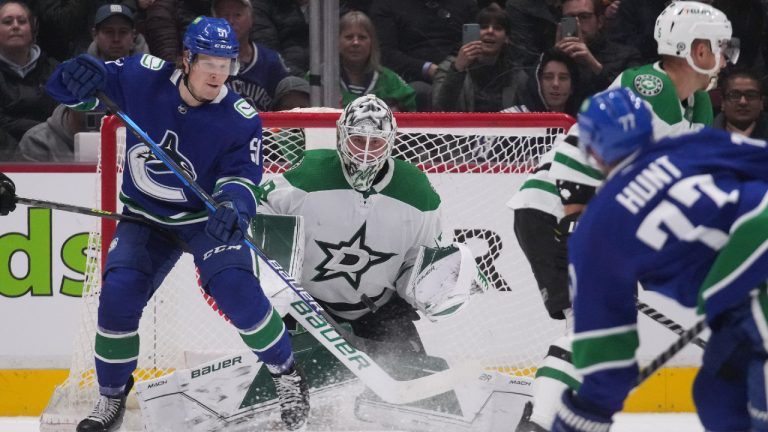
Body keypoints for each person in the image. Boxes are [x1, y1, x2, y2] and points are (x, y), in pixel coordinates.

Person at [45, 16, 309, 432]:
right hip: (145, 218)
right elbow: (77, 94)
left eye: (226, 65)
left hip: (206, 222)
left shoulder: (240, 117)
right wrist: (68, 78)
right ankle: (111, 398)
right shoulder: (140, 75)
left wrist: (234, 208)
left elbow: (241, 177)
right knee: (117, 296)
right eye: (210, 63)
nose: (219, 74)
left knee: (237, 290)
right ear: (187, 58)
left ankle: (287, 372)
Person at [512, 2, 738, 430]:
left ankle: (546, 415)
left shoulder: (698, 109)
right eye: (719, 46)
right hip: (556, 210)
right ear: (692, 48)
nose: (726, 57)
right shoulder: (648, 85)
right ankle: (539, 423)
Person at [553, 86, 768, 432]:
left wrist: (579, 419)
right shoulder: (689, 145)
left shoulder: (597, 227)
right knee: (718, 394)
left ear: (592, 150)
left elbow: (605, 351)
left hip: (756, 293)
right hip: (744, 296)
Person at [256, 94, 483, 360]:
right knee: (292, 379)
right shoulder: (308, 175)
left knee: (410, 380)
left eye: (375, 142)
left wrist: (437, 283)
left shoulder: (418, 193)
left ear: (389, 142)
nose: (365, 152)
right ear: (341, 136)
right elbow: (259, 208)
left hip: (378, 311)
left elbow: (417, 260)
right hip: (307, 310)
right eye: (357, 140)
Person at [18, 4, 150, 163]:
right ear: (95, 34)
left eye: (123, 32)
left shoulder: (155, 78)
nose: (116, 39)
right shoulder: (77, 72)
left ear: (133, 36)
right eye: (109, 32)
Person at [369, 0, 478, 111]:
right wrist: (428, 68)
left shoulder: (464, 3)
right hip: (411, 77)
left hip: (459, 68)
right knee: (419, 92)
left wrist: (451, 69)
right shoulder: (388, 4)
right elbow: (386, 54)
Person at [432, 4, 527, 112]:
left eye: (498, 28)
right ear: (474, 32)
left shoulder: (516, 75)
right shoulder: (448, 67)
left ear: (506, 38)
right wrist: (457, 70)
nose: (490, 31)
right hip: (463, 128)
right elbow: (439, 109)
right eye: (484, 27)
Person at [212, 0, 299, 112]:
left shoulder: (271, 61)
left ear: (251, 19)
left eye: (237, 15)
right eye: (224, 16)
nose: (231, 21)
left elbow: (290, 102)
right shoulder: (204, 61)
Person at [0, 0, 58, 157]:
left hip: (52, 154)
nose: (15, 26)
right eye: (7, 22)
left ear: (33, 28)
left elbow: (63, 119)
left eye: (22, 21)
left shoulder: (54, 70)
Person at [555, 0, 642, 100]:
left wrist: (595, 67)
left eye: (584, 17)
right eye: (569, 19)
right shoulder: (555, 54)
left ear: (600, 21)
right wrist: (554, 59)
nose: (577, 24)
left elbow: (632, 99)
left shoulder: (626, 56)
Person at [338, 11, 416, 111]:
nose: (356, 42)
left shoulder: (390, 80)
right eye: (349, 37)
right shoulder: (320, 79)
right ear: (337, 42)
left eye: (362, 37)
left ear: (372, 43)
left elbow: (409, 110)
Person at [510, 48, 581, 116]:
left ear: (572, 87)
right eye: (548, 77)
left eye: (563, 78)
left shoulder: (584, 123)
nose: (555, 84)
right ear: (538, 82)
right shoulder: (511, 117)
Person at [714, 70, 768, 139]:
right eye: (734, 96)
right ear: (723, 103)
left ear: (761, 103)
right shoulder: (704, 138)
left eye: (751, 95)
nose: (743, 102)